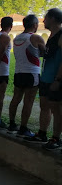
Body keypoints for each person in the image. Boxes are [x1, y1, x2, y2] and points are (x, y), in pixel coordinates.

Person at [26, 8, 62, 149]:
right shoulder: (52, 36)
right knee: (44, 107)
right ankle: (42, 133)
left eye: (45, 17)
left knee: (57, 110)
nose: (43, 20)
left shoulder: (60, 35)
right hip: (46, 78)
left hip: (55, 80)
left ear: (52, 18)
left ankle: (56, 138)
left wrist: (58, 80)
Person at [8, 14, 46, 137]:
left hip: (19, 72)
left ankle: (12, 124)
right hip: (32, 73)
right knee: (28, 101)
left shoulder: (17, 38)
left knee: (15, 99)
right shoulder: (36, 38)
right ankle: (23, 128)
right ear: (35, 25)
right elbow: (45, 53)